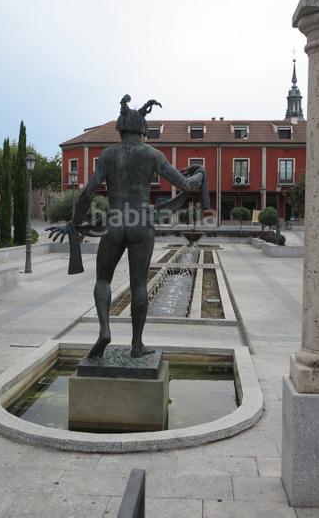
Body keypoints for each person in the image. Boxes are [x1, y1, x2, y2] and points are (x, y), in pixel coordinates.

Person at [48, 95, 204, 358]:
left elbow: (87, 192)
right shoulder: (153, 155)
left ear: (120, 128)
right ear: (142, 128)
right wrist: (200, 174)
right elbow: (187, 186)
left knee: (102, 280)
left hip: (115, 222)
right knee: (139, 286)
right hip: (141, 222)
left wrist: (74, 223)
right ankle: (137, 345)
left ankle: (105, 329)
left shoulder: (108, 155)